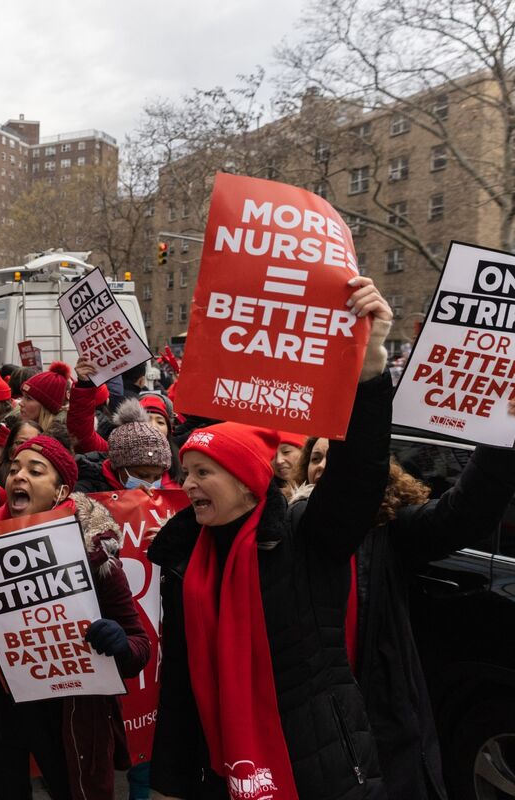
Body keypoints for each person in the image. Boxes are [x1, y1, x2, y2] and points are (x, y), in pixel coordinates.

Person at [147, 275, 393, 800]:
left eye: (202, 472)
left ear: (246, 480)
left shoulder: (307, 534)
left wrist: (369, 372)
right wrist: (167, 786)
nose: (187, 484)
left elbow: (360, 477)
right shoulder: (184, 559)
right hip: (219, 776)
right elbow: (181, 690)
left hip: (317, 774)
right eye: (184, 471)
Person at [288, 376, 515, 800]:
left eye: (339, 456)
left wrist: (505, 438)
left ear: (366, 471)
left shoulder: (390, 532)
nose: (324, 466)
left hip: (374, 719)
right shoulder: (278, 532)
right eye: (317, 456)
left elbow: (464, 513)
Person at [0, 434, 150, 799]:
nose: (19, 476)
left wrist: (120, 645)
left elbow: (139, 646)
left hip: (67, 709)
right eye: (14, 469)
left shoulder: (93, 553)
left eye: (35, 471)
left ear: (61, 492)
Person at [75, 419, 172, 493]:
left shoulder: (161, 496)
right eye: (142, 475)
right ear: (118, 467)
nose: (150, 485)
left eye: (157, 478)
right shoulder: (85, 490)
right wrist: (127, 501)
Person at [19, 363, 71, 433]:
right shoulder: (15, 428)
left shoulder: (60, 439)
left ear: (47, 407)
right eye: (23, 396)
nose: (20, 403)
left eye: (28, 398)